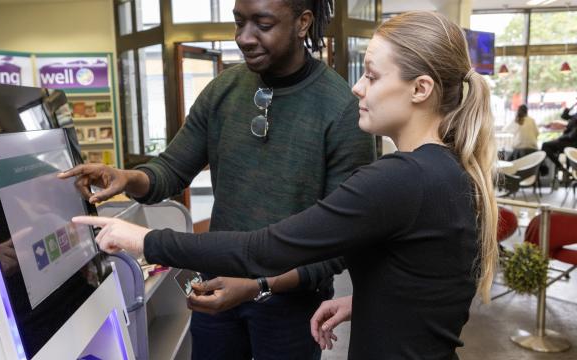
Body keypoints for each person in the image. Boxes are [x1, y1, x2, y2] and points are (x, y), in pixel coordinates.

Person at [73, 11, 498, 359]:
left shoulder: (398, 177)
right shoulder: (445, 170)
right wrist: (367, 306)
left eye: (371, 75)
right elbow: (422, 288)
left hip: (289, 306)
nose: (357, 87)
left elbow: (264, 250)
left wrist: (144, 240)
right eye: (239, 21)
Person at [60, 0, 375, 359]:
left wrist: (259, 286)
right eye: (238, 22)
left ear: (303, 23)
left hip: (291, 302)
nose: (244, 37)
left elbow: (341, 240)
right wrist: (126, 177)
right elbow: (171, 170)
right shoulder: (224, 90)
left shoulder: (342, 109)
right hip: (215, 291)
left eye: (262, 24)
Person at [541, 100, 577, 175]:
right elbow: (564, 116)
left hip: (571, 143)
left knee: (545, 146)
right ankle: (559, 167)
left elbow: (572, 136)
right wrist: (573, 105)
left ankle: (559, 166)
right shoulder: (575, 115)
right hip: (566, 141)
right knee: (546, 147)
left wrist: (559, 138)